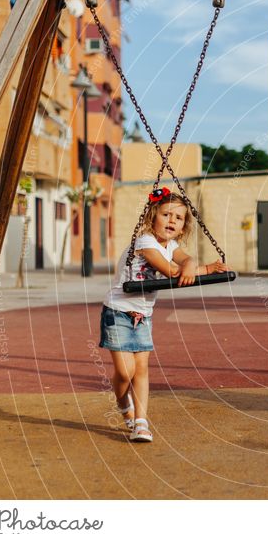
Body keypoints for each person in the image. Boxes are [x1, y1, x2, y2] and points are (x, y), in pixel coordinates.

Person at [100, 187, 228, 442]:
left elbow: (184, 259)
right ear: (152, 216)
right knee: (125, 372)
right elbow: (171, 270)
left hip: (143, 314)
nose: (172, 221)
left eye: (178, 218)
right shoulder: (145, 242)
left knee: (142, 369)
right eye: (166, 214)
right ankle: (123, 403)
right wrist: (200, 268)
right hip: (119, 311)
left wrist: (192, 265)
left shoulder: (171, 245)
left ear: (183, 227)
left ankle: (140, 421)